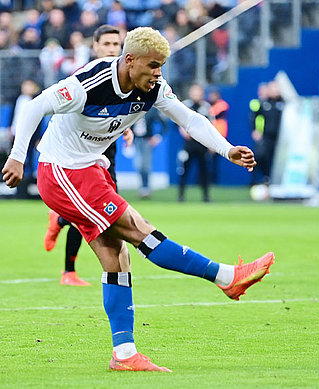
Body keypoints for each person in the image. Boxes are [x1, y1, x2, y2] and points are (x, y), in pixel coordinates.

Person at [2, 27, 274, 372]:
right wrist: (17, 155)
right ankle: (226, 277)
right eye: (153, 65)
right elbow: (35, 106)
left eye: (162, 66)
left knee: (117, 257)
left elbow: (189, 118)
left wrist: (226, 149)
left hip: (91, 169)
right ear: (129, 61)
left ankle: (125, 354)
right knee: (140, 230)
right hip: (63, 170)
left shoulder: (154, 87)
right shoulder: (90, 82)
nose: (158, 73)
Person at [43, 24, 134, 287]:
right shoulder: (85, 77)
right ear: (95, 47)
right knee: (94, 212)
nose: (111, 49)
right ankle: (69, 271)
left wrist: (125, 130)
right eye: (106, 44)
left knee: (101, 212)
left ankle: (59, 219)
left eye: (116, 45)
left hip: (108, 150)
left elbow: (124, 111)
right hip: (81, 153)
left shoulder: (123, 76)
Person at [178, 83, 213, 202]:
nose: (196, 94)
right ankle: (181, 195)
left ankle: (206, 196)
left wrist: (210, 143)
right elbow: (177, 119)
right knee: (184, 170)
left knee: (204, 171)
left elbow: (211, 125)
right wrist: (183, 130)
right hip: (189, 145)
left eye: (198, 92)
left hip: (202, 144)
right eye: (194, 92)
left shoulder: (206, 107)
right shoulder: (185, 105)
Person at [250, 80, 284, 185]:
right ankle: (265, 178)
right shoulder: (263, 104)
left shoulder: (284, 103)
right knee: (261, 156)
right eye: (272, 88)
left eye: (276, 88)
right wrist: (255, 130)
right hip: (267, 136)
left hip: (281, 137)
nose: (275, 90)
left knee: (279, 159)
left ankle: (278, 181)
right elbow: (254, 116)